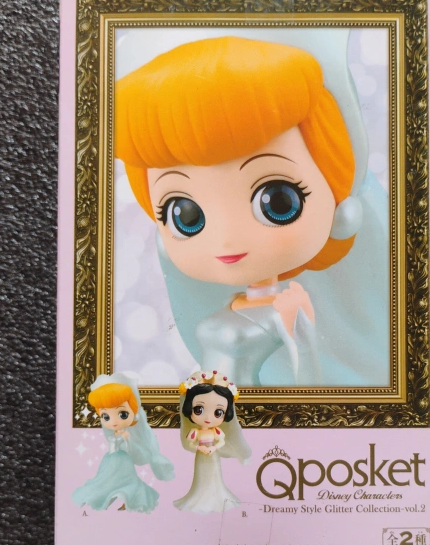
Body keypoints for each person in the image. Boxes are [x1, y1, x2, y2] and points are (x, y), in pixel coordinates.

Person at [116, 32, 389, 387]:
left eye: (277, 201)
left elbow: (309, 379)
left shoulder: (289, 308)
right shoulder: (234, 302)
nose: (226, 239)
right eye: (185, 214)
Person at [72, 373, 174, 512]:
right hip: (109, 459)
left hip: (123, 460)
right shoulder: (114, 433)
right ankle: (106, 498)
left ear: (134, 412)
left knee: (126, 481)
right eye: (106, 416)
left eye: (122, 414)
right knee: (106, 480)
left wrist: (128, 440)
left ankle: (128, 500)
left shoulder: (126, 434)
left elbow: (130, 447)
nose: (113, 421)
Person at [174, 370, 251, 514]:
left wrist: (214, 448)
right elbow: (190, 443)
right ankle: (199, 495)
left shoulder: (216, 431)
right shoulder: (195, 432)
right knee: (201, 476)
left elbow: (221, 442)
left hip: (213, 455)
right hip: (201, 455)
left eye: (218, 412)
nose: (208, 418)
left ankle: (215, 495)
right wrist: (199, 448)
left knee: (214, 475)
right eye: (199, 409)